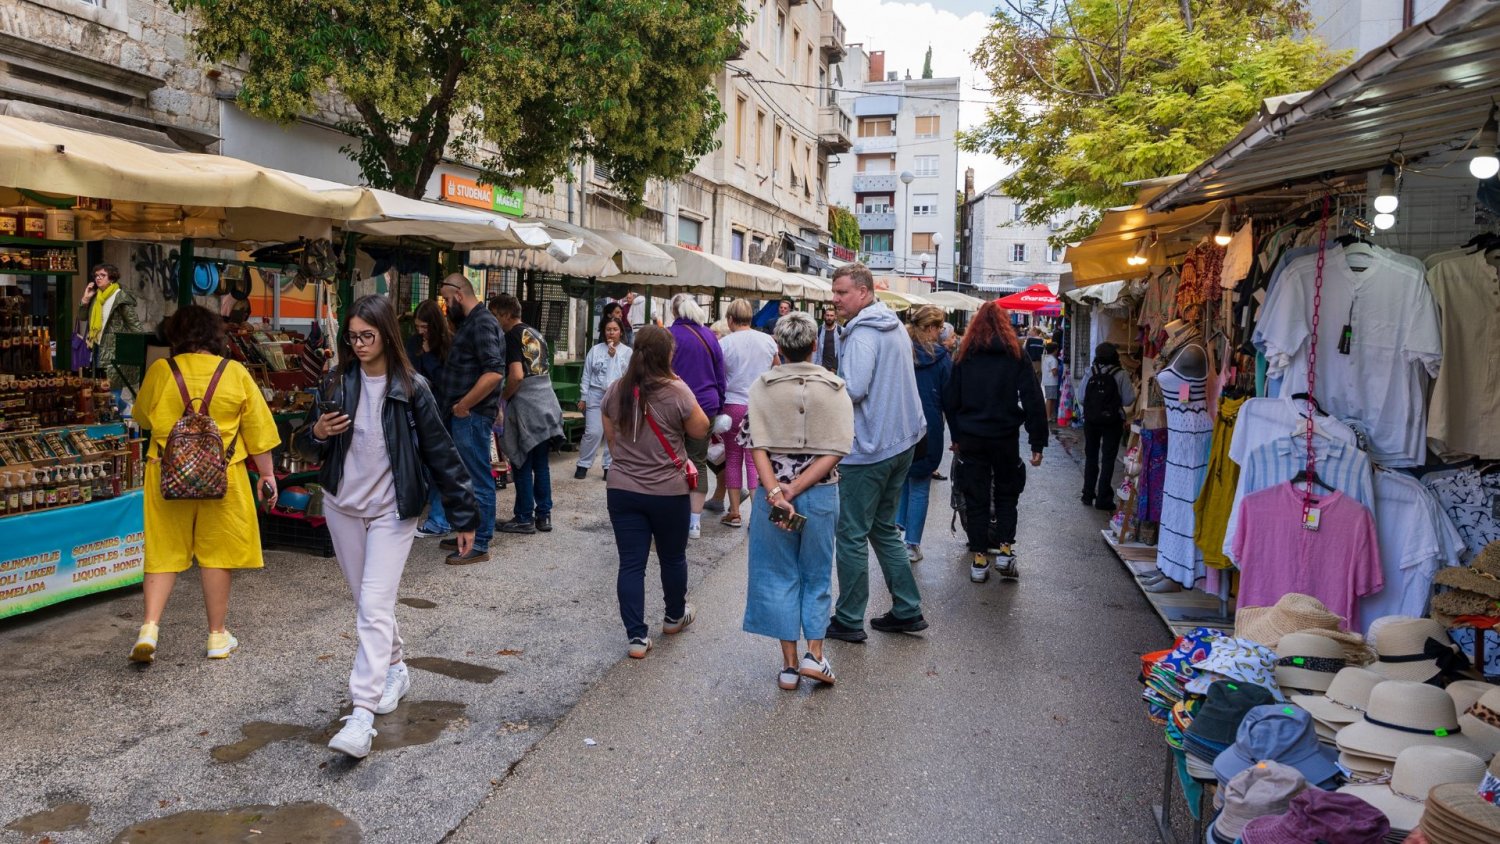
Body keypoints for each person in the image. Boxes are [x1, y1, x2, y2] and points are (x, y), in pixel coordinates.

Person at [297, 295, 479, 759]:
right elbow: (303, 442)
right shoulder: (336, 381)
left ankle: (361, 715)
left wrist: (464, 515)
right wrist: (317, 433)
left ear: (385, 335)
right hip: (342, 507)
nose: (358, 344)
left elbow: (441, 452)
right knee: (367, 603)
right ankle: (395, 667)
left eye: (367, 336)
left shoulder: (412, 387)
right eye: (352, 336)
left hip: (393, 512)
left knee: (373, 606)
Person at [128, 305, 280, 664]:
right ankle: (216, 636)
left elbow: (142, 416)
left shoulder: (161, 370)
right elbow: (258, 432)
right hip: (223, 476)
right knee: (217, 554)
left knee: (162, 551)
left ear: (176, 336)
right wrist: (269, 476)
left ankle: (149, 628)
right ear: (216, 336)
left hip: (166, 472)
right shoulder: (236, 372)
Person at [743, 312, 853, 689]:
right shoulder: (835, 388)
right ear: (813, 346)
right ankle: (815, 656)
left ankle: (789, 665)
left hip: (773, 498)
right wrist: (800, 486)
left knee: (778, 575)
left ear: (779, 347)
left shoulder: (762, 388)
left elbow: (755, 442)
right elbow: (838, 448)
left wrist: (778, 490)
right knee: (817, 574)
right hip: (820, 494)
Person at [826, 263, 928, 642]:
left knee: (851, 533)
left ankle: (850, 618)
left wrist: (826, 384)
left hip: (870, 447)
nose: (835, 299)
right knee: (883, 528)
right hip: (900, 440)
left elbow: (853, 389)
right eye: (834, 292)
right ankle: (907, 607)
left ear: (864, 293)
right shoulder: (892, 325)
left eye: (842, 292)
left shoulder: (865, 334)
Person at [602, 326, 711, 658]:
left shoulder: (618, 389)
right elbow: (701, 427)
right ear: (668, 355)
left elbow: (610, 435)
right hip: (668, 490)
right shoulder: (677, 390)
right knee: (672, 557)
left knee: (631, 564)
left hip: (622, 488)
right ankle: (674, 617)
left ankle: (636, 638)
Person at [943, 302, 1048, 584]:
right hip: (1005, 436)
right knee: (1006, 494)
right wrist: (1037, 441)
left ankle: (979, 560)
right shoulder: (1016, 354)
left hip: (973, 438)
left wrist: (956, 436)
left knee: (976, 498)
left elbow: (950, 400)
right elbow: (1032, 398)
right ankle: (1004, 551)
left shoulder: (965, 356)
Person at [438, 273, 504, 564]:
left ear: (459, 294)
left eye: (446, 299)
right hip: (468, 415)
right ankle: (470, 532)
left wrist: (464, 405)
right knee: (467, 477)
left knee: (477, 478)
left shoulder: (482, 322)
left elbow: (494, 372)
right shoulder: (474, 322)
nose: (445, 304)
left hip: (472, 416)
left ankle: (480, 542)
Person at [490, 294, 564, 535]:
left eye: (494, 315)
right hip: (546, 405)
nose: (493, 321)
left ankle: (523, 518)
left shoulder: (511, 335)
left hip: (527, 406)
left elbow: (517, 375)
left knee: (521, 461)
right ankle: (543, 515)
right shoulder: (535, 332)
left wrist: (504, 396)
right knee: (541, 464)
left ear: (504, 314)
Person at [667, 293, 726, 540]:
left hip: (674, 405)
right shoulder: (710, 336)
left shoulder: (669, 335)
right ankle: (694, 523)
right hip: (706, 405)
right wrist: (719, 404)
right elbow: (720, 375)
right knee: (698, 461)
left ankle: (671, 516)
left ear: (674, 311)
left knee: (671, 459)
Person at [717, 298, 779, 528]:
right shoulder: (767, 341)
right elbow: (778, 369)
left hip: (732, 405)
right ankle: (756, 515)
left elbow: (719, 377)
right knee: (755, 460)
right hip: (759, 405)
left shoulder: (725, 344)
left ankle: (734, 512)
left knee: (733, 458)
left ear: (731, 319)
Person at [896, 305, 951, 564]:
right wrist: (959, 435)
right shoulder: (941, 358)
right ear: (929, 328)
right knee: (919, 484)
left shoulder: (898, 352)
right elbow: (950, 398)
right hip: (928, 427)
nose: (940, 333)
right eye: (939, 328)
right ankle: (912, 543)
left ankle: (898, 529)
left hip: (897, 424)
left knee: (903, 478)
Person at [407, 299, 455, 538]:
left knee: (438, 466)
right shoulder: (412, 343)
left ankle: (439, 519)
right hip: (415, 411)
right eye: (418, 326)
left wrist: (427, 356)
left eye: (425, 327)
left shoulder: (448, 345)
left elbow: (444, 381)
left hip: (440, 412)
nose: (420, 331)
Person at [1080, 342, 1135, 512]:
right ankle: (1103, 498)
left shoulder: (1091, 371)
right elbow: (1128, 400)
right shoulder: (1121, 374)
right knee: (1108, 459)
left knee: (1091, 456)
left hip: (1091, 421)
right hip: (1112, 422)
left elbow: (1082, 397)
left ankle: (1088, 494)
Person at [575, 317, 632, 480]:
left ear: (621, 332)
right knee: (593, 431)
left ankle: (609, 466)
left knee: (612, 432)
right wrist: (583, 397)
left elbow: (626, 375)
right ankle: (583, 463)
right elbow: (586, 374)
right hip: (595, 393)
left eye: (615, 329)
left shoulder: (627, 352)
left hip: (616, 394)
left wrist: (614, 356)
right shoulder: (595, 350)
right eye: (608, 329)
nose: (611, 333)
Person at [80, 263, 142, 392]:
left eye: (102, 275)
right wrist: (85, 299)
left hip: (113, 349)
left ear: (112, 278)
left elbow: (135, 325)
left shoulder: (119, 298)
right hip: (96, 345)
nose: (98, 278)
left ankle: (118, 410)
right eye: (96, 275)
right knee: (98, 385)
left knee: (110, 387)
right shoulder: (96, 296)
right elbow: (82, 317)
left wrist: (136, 350)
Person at [813, 306, 841, 372]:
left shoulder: (841, 331)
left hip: (835, 369)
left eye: (831, 316)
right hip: (821, 368)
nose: (829, 318)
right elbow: (815, 351)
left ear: (835, 317)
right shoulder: (818, 330)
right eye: (827, 315)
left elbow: (842, 351)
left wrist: (835, 366)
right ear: (824, 316)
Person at [1041, 341, 1061, 422]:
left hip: (1047, 381)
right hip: (1051, 381)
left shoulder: (1045, 357)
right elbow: (1054, 372)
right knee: (1050, 399)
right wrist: (1059, 370)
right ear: (1055, 350)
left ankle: (1049, 415)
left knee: (1050, 399)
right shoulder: (1053, 360)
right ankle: (1048, 416)